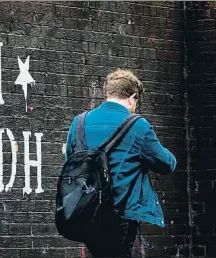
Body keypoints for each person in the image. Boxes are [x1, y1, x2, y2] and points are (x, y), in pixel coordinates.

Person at [65, 69, 177, 257]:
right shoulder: (138, 125)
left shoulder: (79, 122)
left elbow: (70, 161)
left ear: (108, 93)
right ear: (132, 98)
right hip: (121, 213)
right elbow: (165, 164)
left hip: (88, 212)